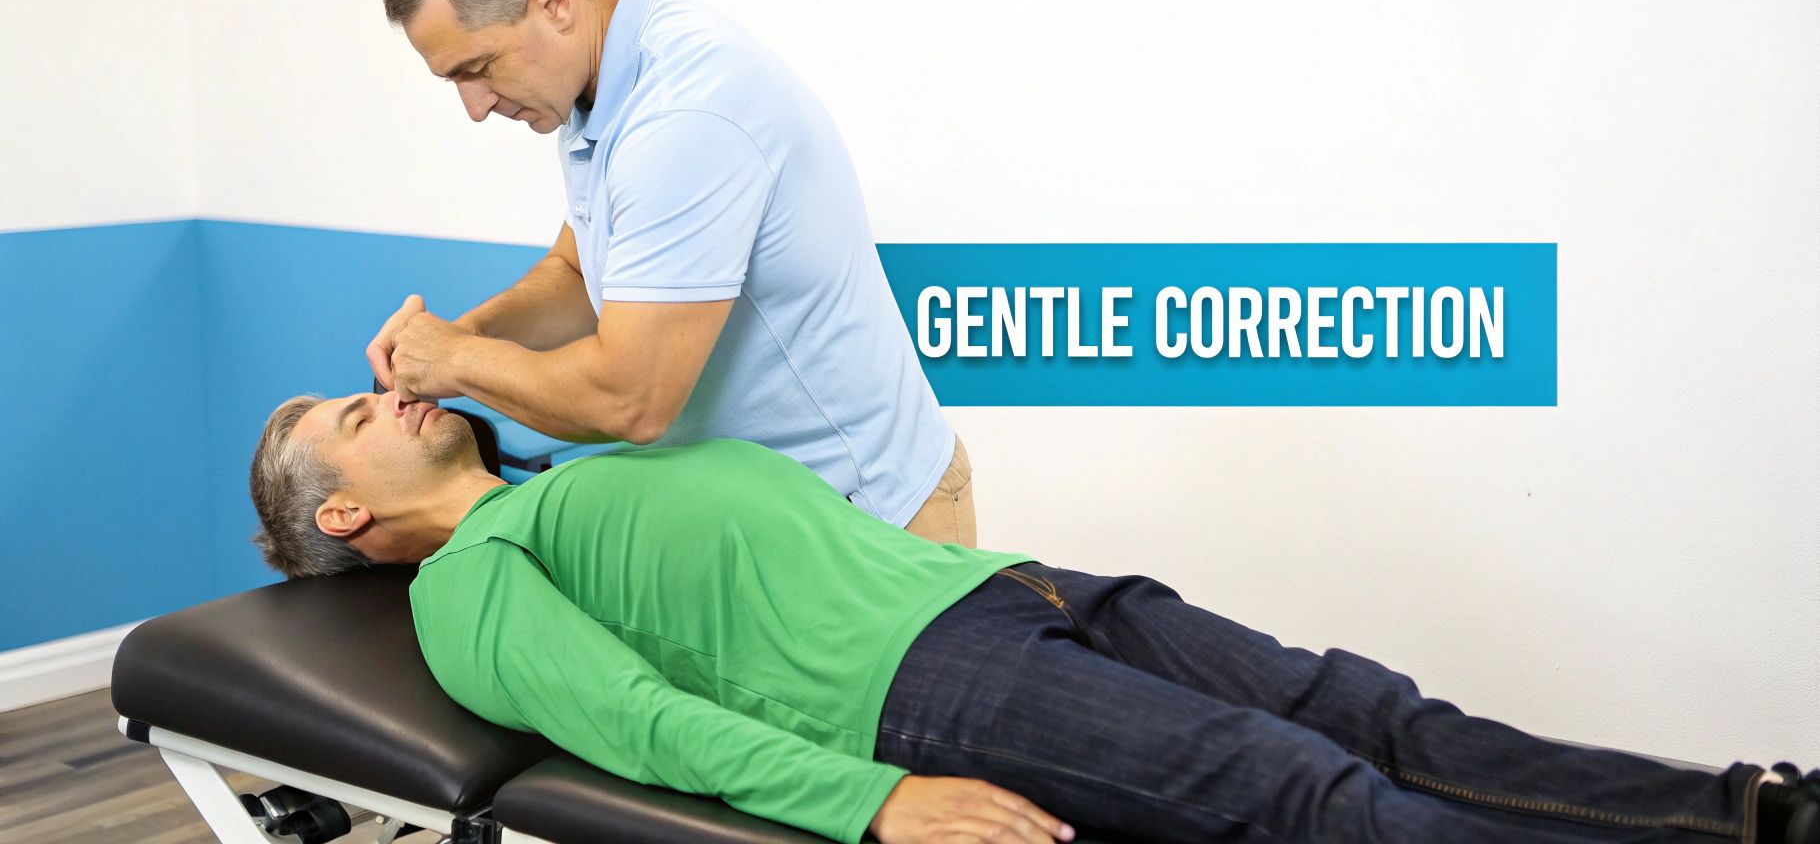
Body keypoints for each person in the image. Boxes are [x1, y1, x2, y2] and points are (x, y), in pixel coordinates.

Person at [247, 390, 1819, 844]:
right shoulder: (469, 588)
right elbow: (640, 724)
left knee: (1377, 713)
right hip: (926, 692)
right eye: (352, 418)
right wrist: (875, 804)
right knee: (1316, 801)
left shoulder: (563, 473)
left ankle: (1747, 813)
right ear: (343, 517)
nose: (387, 397)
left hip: (1012, 592)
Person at [365, 0, 976, 548]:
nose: (475, 106)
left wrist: (458, 360)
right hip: (769, 519)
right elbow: (577, 272)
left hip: (872, 519)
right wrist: (465, 331)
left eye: (478, 68)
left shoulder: (684, 115)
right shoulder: (592, 76)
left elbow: (630, 398)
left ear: (552, 3)